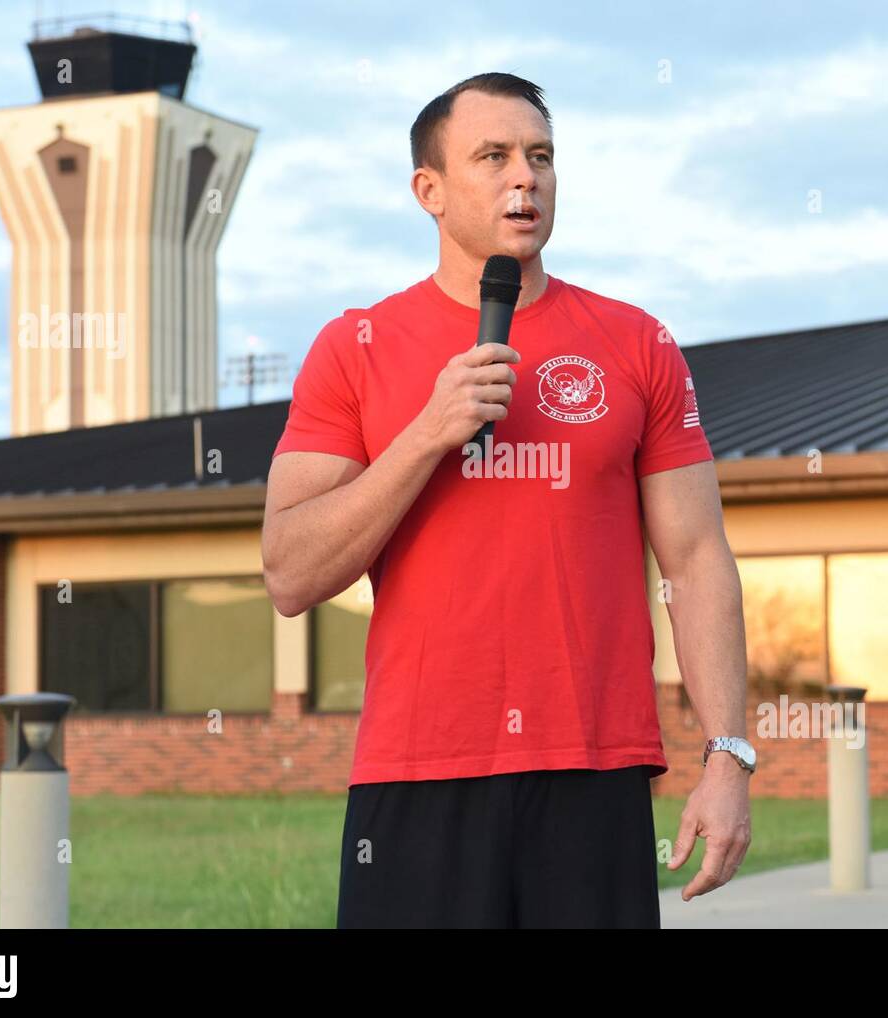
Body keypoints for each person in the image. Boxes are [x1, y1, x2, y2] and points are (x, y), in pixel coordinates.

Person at [262, 72, 752, 929]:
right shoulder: (356, 348)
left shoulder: (639, 343)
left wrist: (728, 757)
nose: (524, 177)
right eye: (492, 157)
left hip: (592, 772)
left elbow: (697, 557)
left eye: (541, 157)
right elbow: (291, 572)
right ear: (430, 190)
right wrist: (424, 435)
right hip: (418, 774)